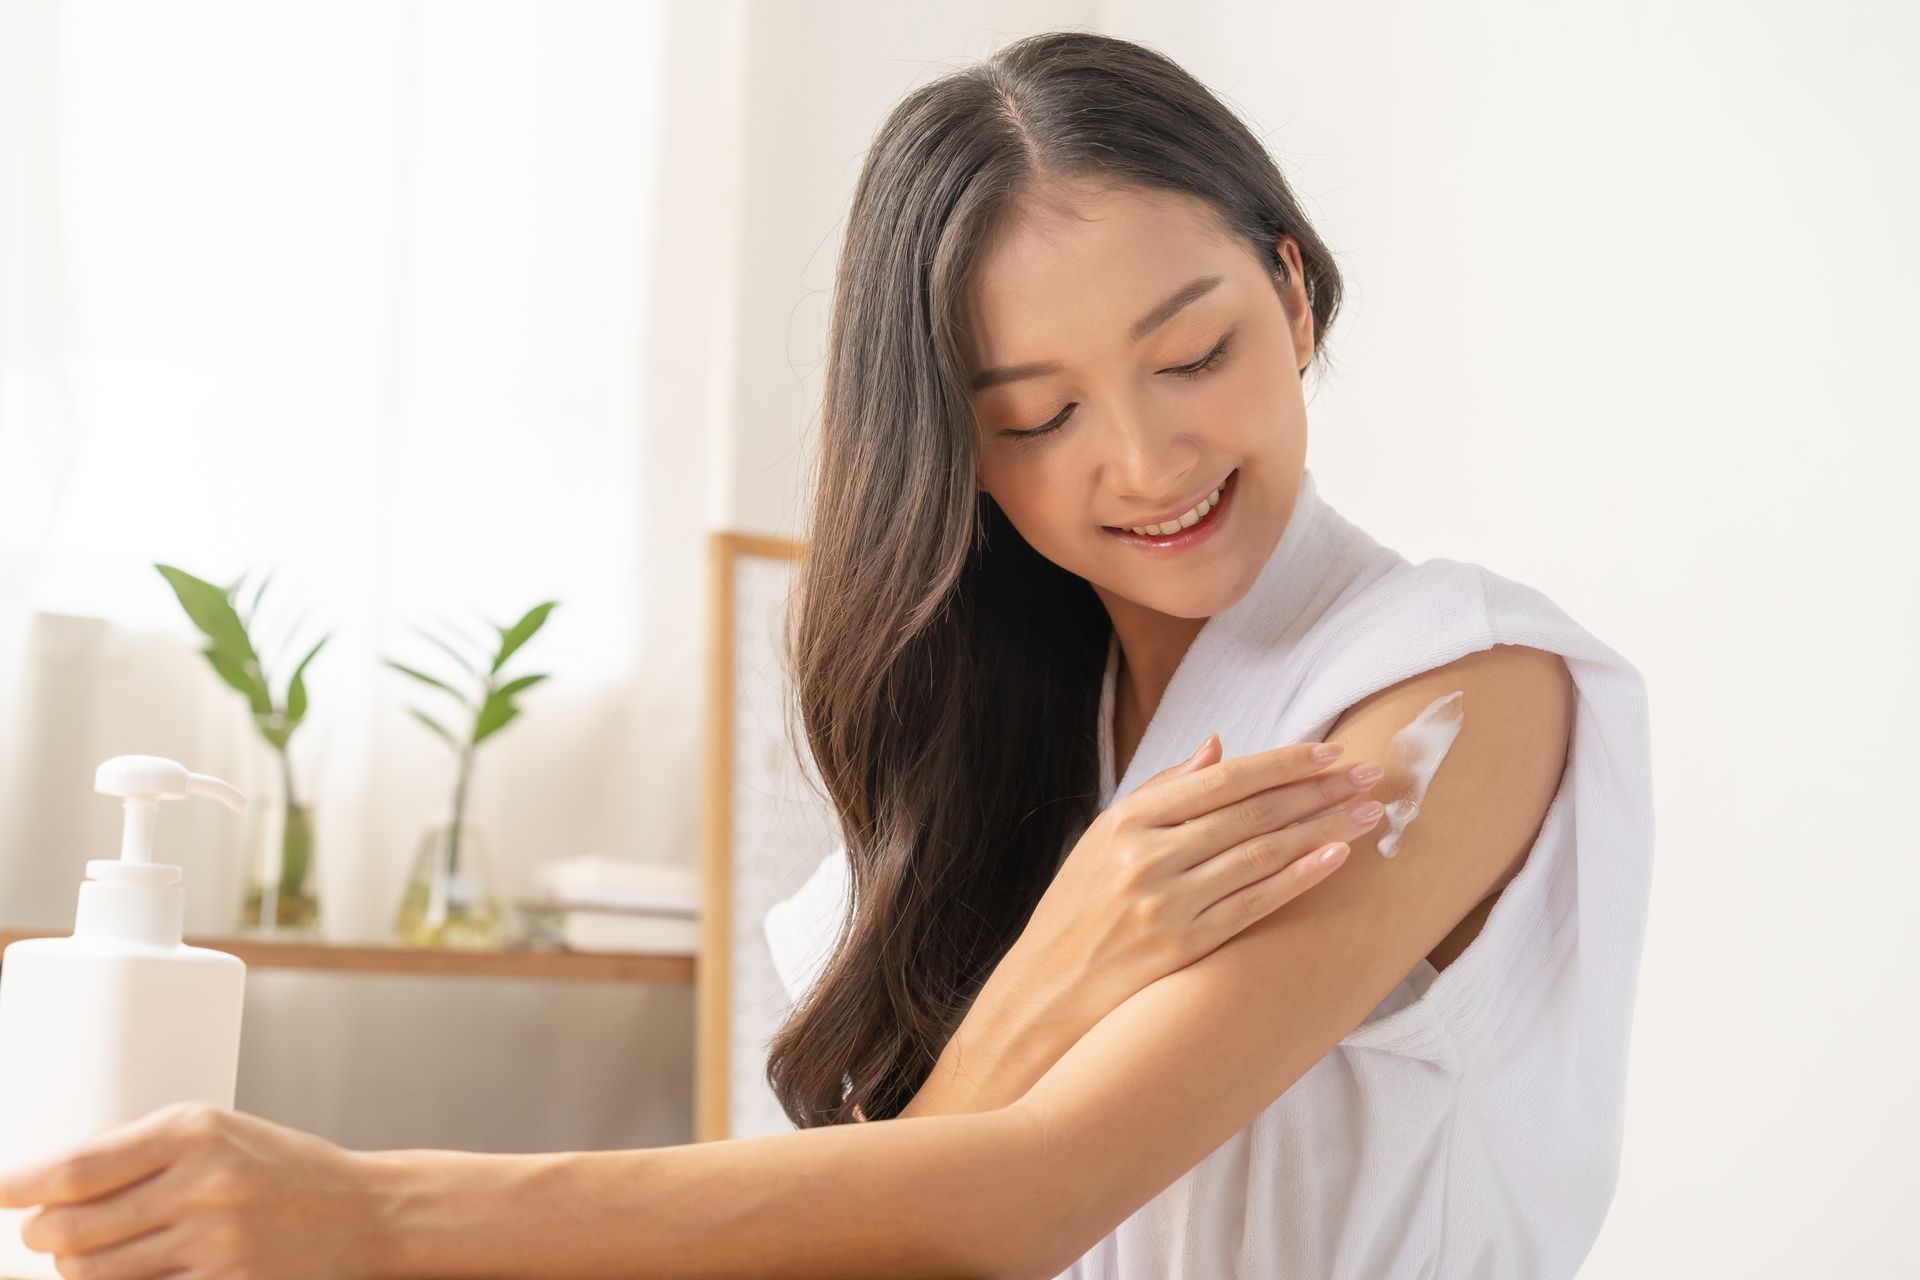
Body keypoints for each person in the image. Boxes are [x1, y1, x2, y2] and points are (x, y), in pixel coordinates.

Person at [0, 29, 1654, 1279]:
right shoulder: (1013, 733)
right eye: (1040, 416)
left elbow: (1028, 1195)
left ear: (1292, 292)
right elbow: (904, 1231)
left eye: (1195, 352)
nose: (1144, 462)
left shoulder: (1458, 690)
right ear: (959, 446)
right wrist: (1046, 968)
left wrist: (369, 1206)